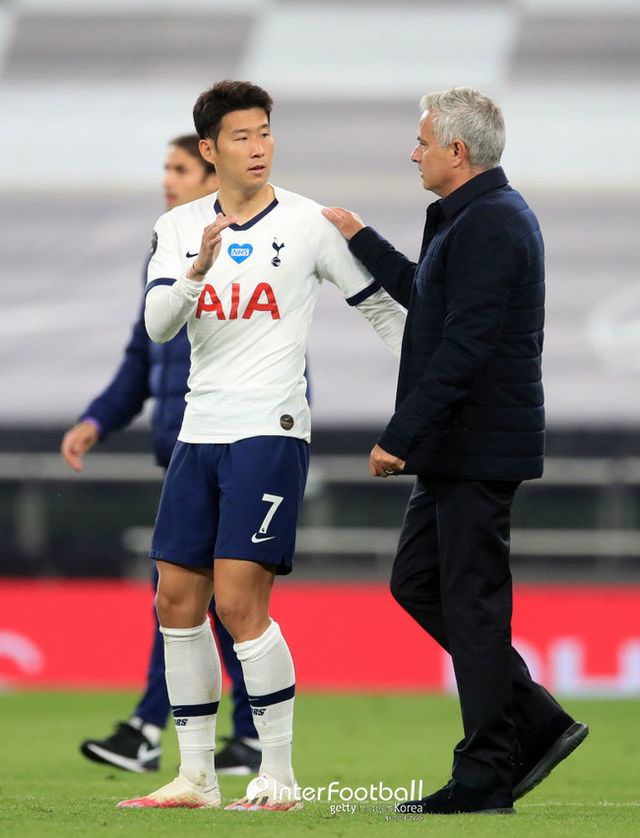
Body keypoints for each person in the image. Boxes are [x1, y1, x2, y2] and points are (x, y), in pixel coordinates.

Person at [116, 79, 406, 812]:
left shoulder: (308, 222)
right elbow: (157, 324)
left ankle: (278, 775)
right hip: (198, 432)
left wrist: (424, 401)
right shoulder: (179, 227)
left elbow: (381, 311)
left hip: (269, 432)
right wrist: (196, 271)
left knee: (240, 602)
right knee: (175, 600)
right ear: (210, 149)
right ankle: (196, 778)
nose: (259, 147)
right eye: (242, 136)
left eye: (265, 132)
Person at [323, 87, 588, 815]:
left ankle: (485, 776)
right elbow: (428, 297)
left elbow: (464, 347)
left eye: (422, 142)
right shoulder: (473, 217)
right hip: (460, 448)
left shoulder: (493, 222)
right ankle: (535, 720)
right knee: (418, 583)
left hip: (476, 448)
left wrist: (399, 434)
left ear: (457, 151)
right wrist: (361, 237)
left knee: (471, 607)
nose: (414, 153)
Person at [60, 134, 261, 777]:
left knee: (191, 593)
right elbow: (140, 355)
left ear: (211, 175)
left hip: (236, 447)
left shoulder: (251, 248)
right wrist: (97, 420)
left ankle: (151, 729)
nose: (167, 179)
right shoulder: (168, 249)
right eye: (166, 168)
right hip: (182, 450)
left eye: (179, 168)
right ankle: (247, 734)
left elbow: (279, 357)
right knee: (201, 597)